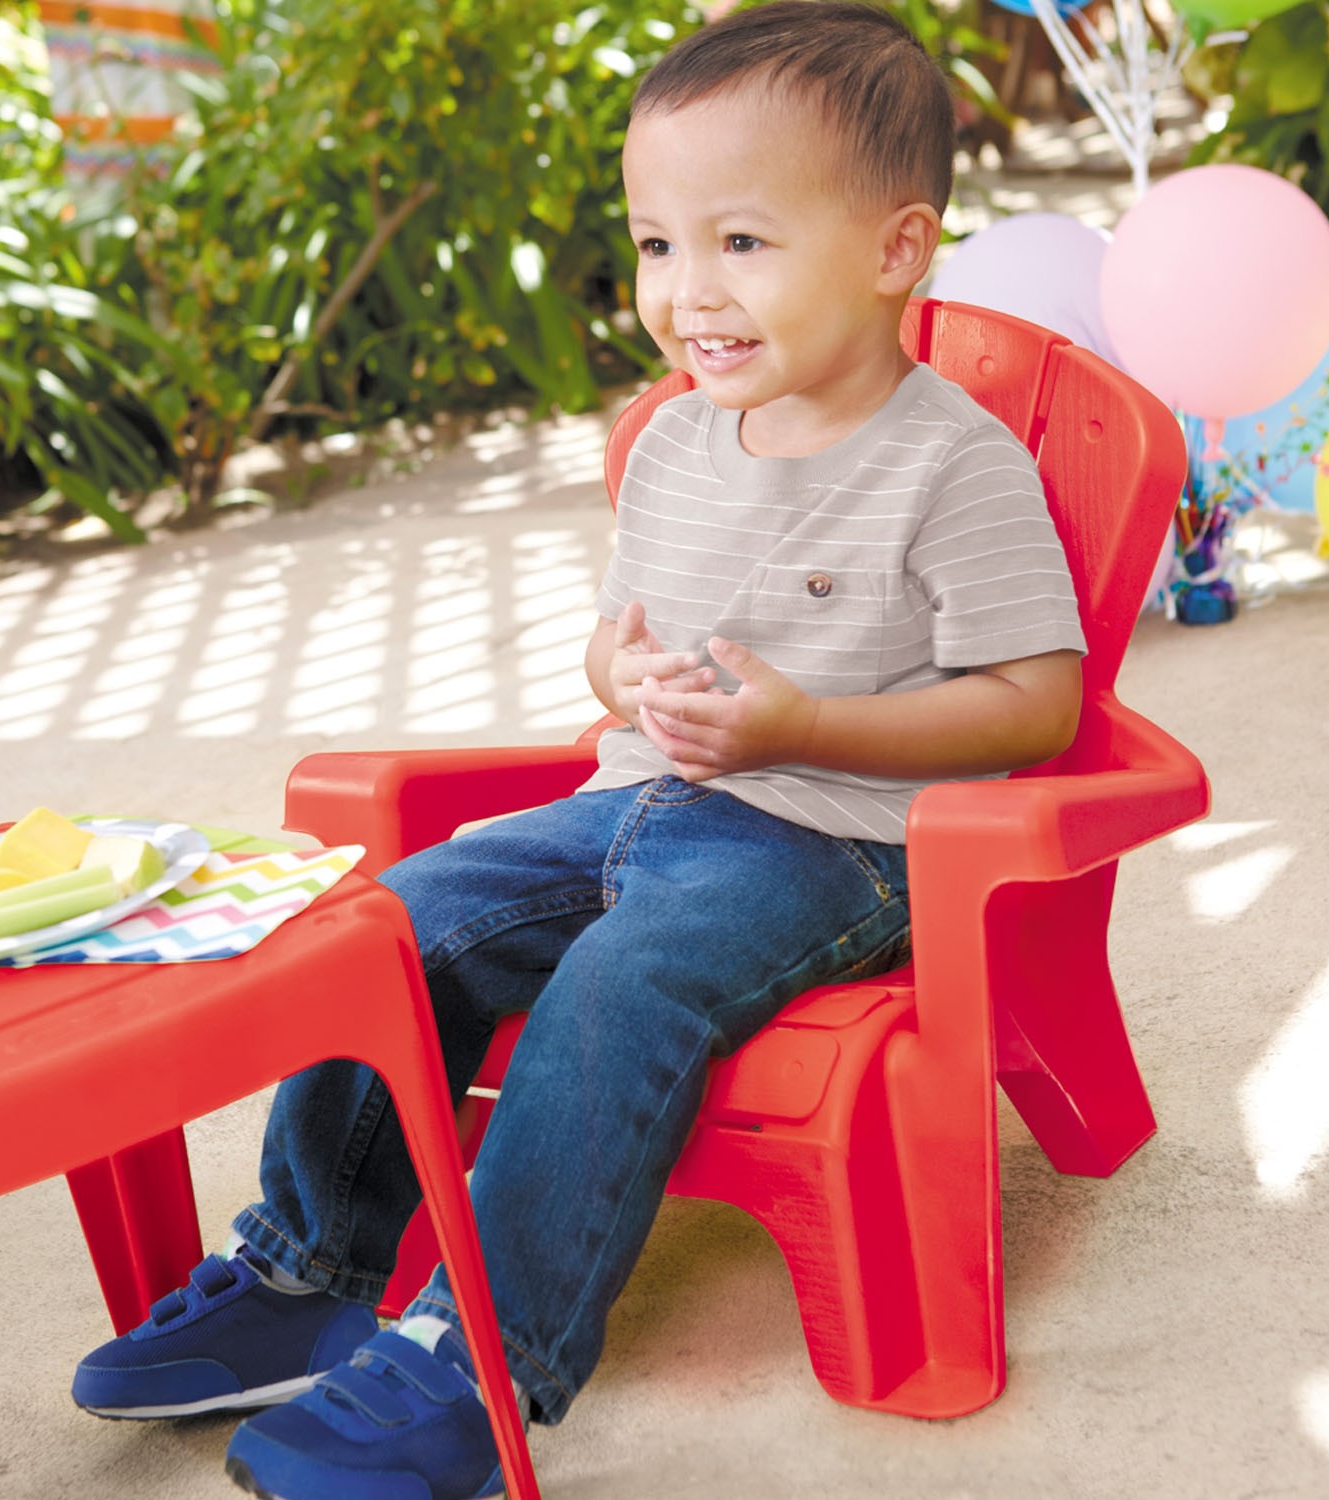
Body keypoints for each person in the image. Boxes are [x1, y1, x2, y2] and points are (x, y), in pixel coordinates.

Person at [71, 4, 1087, 1497]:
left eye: (740, 241)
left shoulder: (953, 463)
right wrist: (621, 669)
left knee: (624, 980)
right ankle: (304, 1269)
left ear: (895, 250)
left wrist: (802, 723)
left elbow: (1037, 703)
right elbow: (613, 644)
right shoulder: (678, 440)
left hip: (838, 843)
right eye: (657, 245)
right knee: (387, 929)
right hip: (633, 799)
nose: (687, 293)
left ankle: (477, 1365)